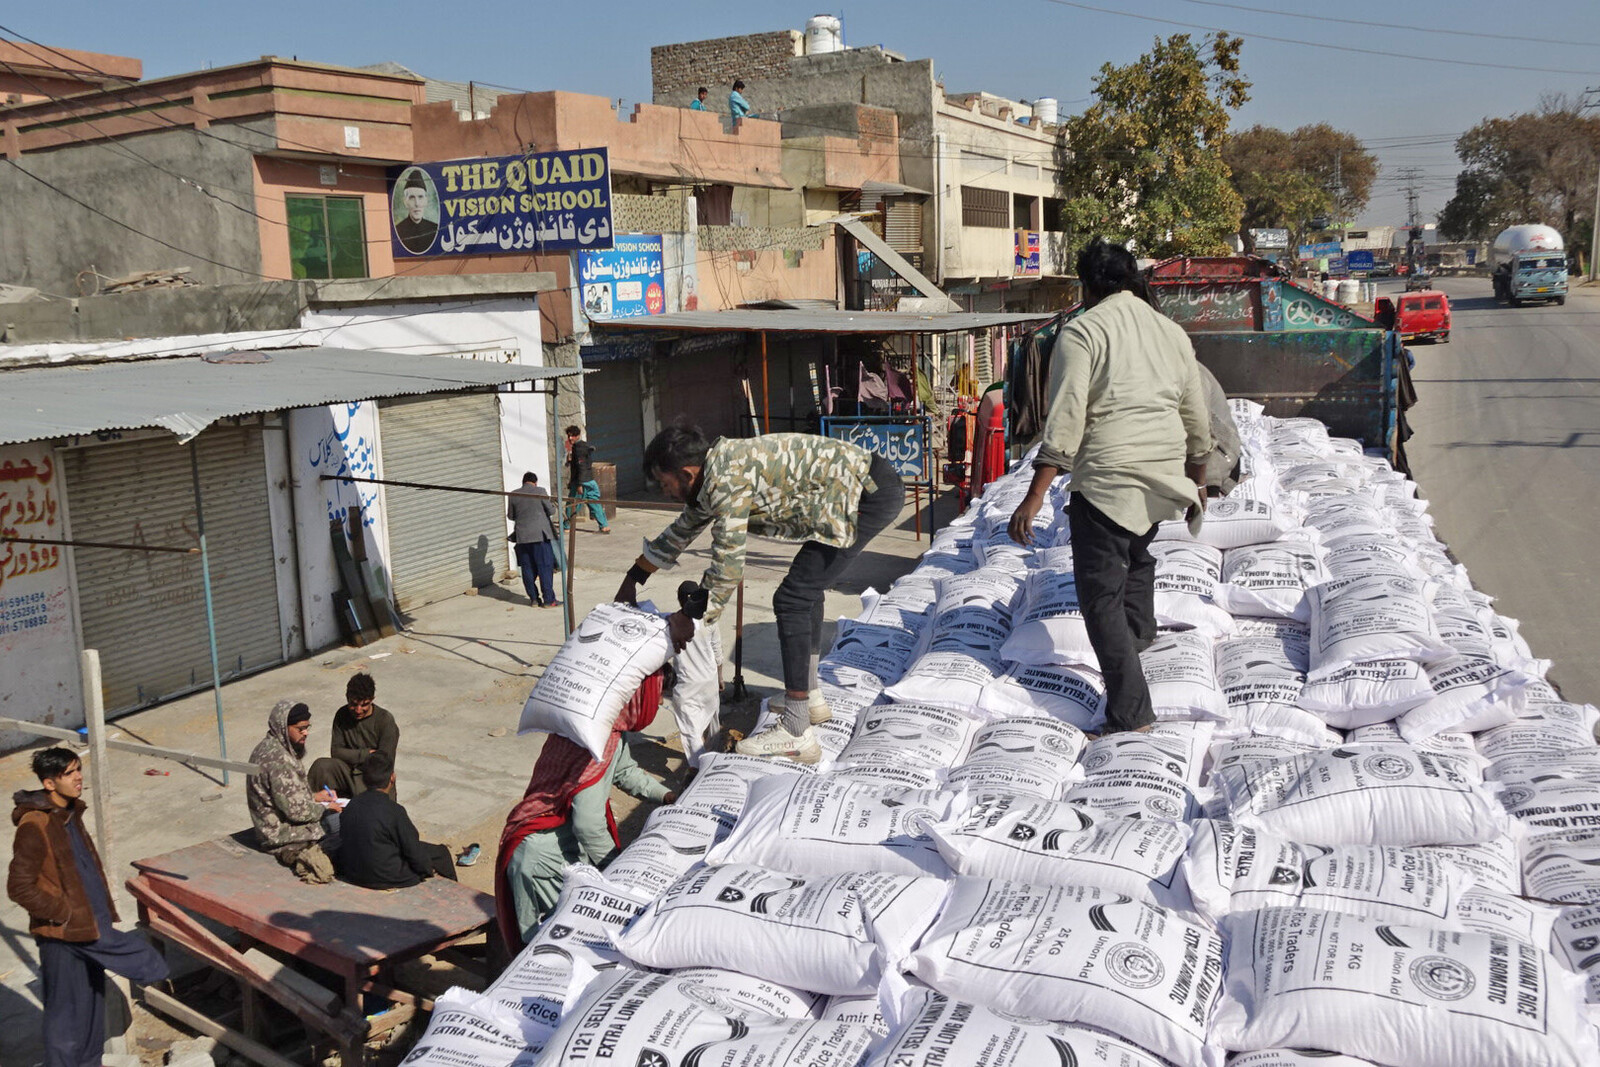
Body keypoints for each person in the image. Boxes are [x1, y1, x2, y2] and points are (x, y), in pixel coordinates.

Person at [1008, 238, 1211, 735]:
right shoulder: (1169, 330)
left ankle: (1131, 713)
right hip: (1163, 476)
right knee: (1137, 559)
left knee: (1100, 599)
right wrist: (1198, 481)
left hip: (1109, 480)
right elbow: (1195, 414)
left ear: (1086, 285)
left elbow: (1067, 415)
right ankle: (1142, 642)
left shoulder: (1082, 332)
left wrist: (1035, 495)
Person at [616, 426, 904, 763]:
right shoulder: (711, 475)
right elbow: (681, 531)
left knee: (792, 598)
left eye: (666, 485)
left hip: (864, 495)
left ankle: (796, 729)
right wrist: (633, 578)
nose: (666, 494)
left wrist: (687, 618)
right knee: (805, 591)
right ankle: (808, 697)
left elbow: (727, 568)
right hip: (849, 493)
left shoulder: (726, 480)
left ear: (686, 474)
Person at [9, 747, 169, 1067]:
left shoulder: (69, 814)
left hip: (90, 927)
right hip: (62, 936)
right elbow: (19, 887)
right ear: (49, 783)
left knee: (91, 1011)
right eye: (69, 773)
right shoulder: (35, 824)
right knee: (67, 1020)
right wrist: (64, 914)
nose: (79, 777)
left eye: (78, 769)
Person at [495, 676, 675, 943]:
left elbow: (623, 770)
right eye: (658, 695)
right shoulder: (596, 741)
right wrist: (617, 872)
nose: (659, 702)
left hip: (545, 847)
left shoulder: (605, 728)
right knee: (561, 939)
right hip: (543, 860)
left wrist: (666, 796)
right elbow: (588, 825)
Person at [334, 752, 457, 890]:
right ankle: (456, 894)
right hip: (388, 877)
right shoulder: (394, 811)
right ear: (392, 778)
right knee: (441, 853)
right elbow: (413, 850)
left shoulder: (351, 805)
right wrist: (426, 870)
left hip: (353, 873)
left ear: (364, 779)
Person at [247, 700, 341, 881]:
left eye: (307, 727)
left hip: (275, 825)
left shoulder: (270, 747)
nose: (305, 733)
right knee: (344, 822)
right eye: (300, 729)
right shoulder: (278, 761)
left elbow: (282, 797)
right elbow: (297, 812)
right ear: (284, 727)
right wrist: (325, 808)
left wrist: (314, 796)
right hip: (280, 834)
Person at [307, 673, 399, 800]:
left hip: (373, 779)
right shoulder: (341, 715)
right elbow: (336, 751)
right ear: (347, 698)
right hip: (349, 772)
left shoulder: (385, 720)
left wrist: (353, 756)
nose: (358, 710)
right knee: (321, 767)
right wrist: (366, 754)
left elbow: (384, 761)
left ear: (372, 699)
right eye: (353, 704)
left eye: (364, 705)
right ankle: (310, 804)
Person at [507, 470, 561, 608]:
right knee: (545, 567)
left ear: (523, 482)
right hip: (539, 537)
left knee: (527, 569)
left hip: (522, 538)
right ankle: (549, 600)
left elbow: (511, 516)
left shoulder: (513, 495)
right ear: (535, 482)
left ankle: (534, 599)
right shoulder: (540, 491)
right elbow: (551, 511)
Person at [563, 425, 611, 534]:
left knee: (572, 504)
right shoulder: (582, 447)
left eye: (573, 436)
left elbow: (582, 467)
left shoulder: (578, 449)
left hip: (582, 482)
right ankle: (604, 526)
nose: (570, 438)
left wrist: (579, 484)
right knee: (594, 503)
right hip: (590, 481)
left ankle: (566, 526)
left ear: (578, 436)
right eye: (569, 436)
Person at [395, 173, 438, 254]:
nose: (417, 203)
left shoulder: (435, 229)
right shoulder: (399, 230)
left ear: (426, 200)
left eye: (420, 197)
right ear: (405, 202)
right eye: (412, 198)